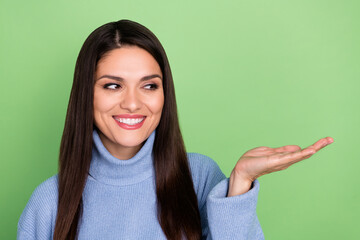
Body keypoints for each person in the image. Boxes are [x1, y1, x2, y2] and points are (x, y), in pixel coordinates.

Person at [17, 20, 333, 240]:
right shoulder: (48, 203)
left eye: (149, 86)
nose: (132, 103)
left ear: (164, 94)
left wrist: (239, 183)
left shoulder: (199, 177)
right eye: (113, 85)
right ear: (86, 93)